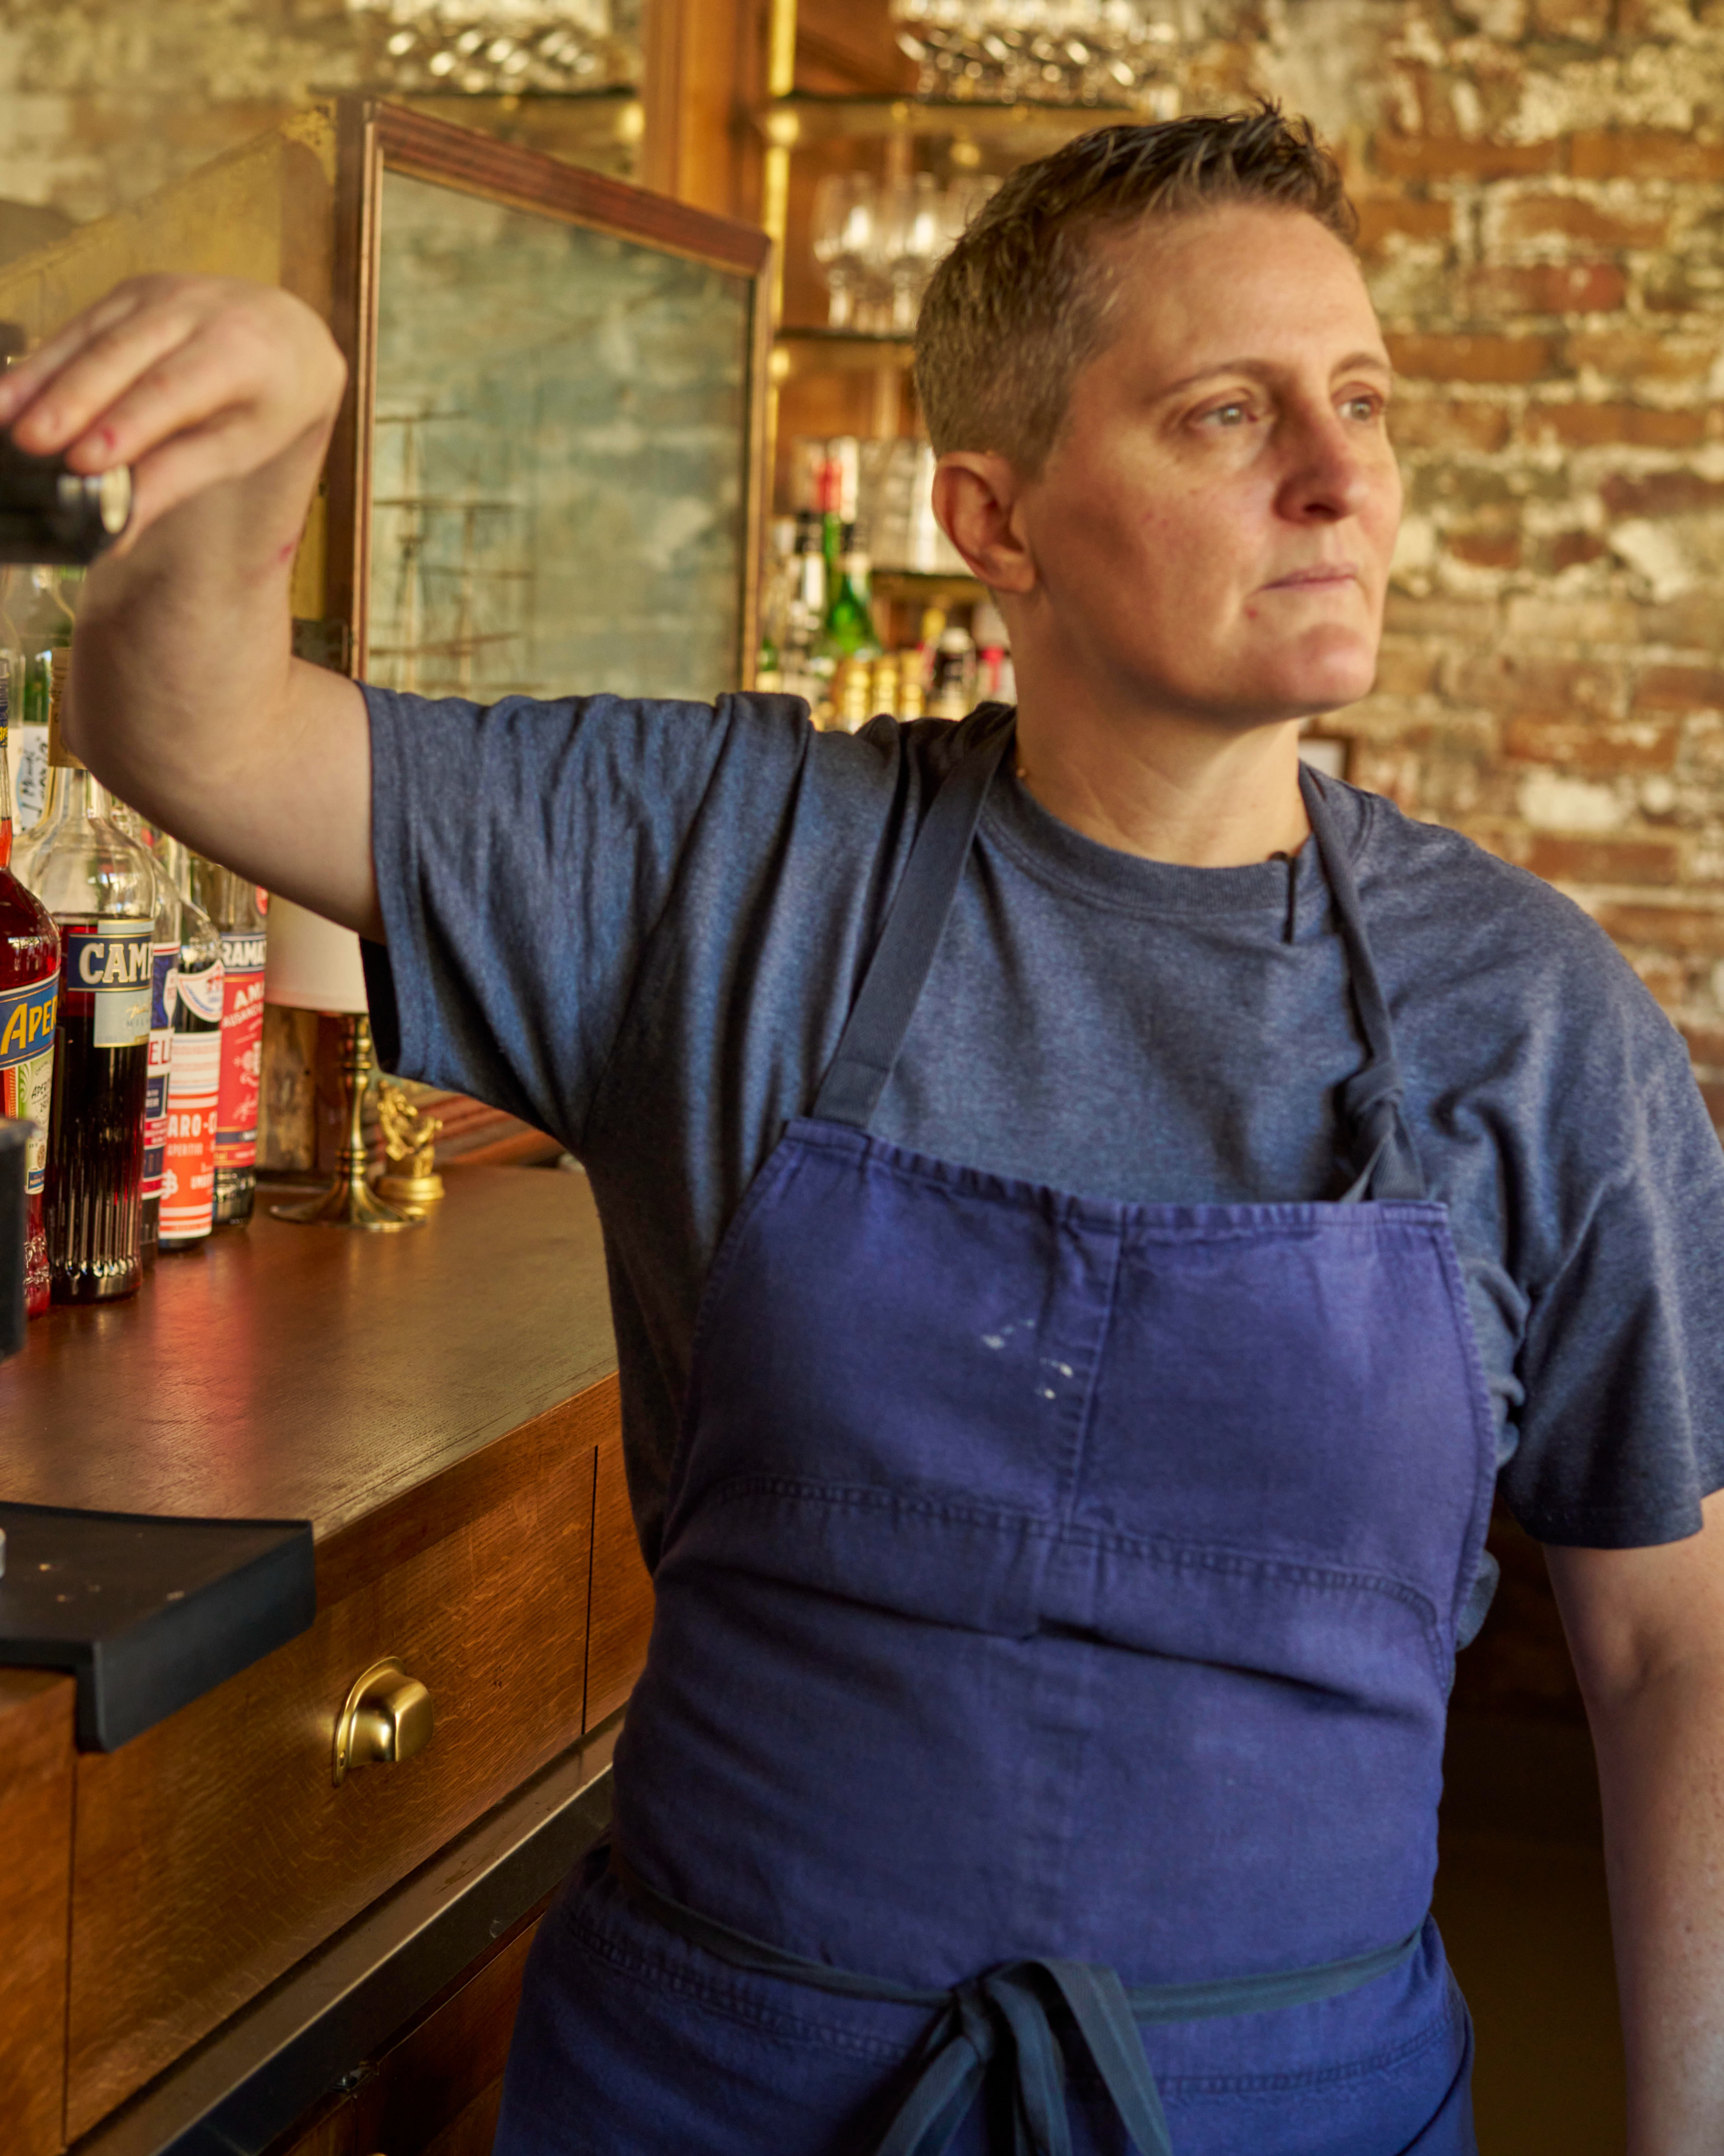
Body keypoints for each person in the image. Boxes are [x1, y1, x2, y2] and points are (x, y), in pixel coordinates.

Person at [14, 105, 1724, 2156]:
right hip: (711, 2097)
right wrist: (274, 423)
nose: (1342, 476)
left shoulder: (1530, 1015)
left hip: (1291, 2112)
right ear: (992, 520)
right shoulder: (732, 868)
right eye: (1223, 413)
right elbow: (183, 723)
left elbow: (1674, 1647)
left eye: (1360, 399)